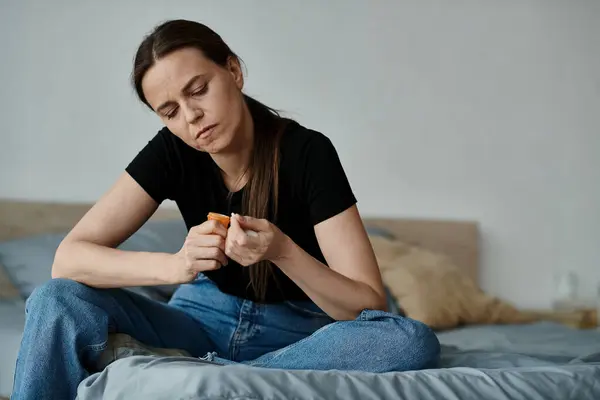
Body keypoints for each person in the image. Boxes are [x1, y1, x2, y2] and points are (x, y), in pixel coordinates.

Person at [11, 19, 440, 400]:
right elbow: (69, 259)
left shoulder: (308, 153)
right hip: (200, 318)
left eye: (198, 90)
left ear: (233, 71)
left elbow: (369, 304)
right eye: (171, 111)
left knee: (408, 340)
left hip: (300, 333)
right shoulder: (172, 152)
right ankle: (225, 379)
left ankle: (205, 377)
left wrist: (283, 251)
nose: (192, 116)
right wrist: (177, 264)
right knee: (56, 299)